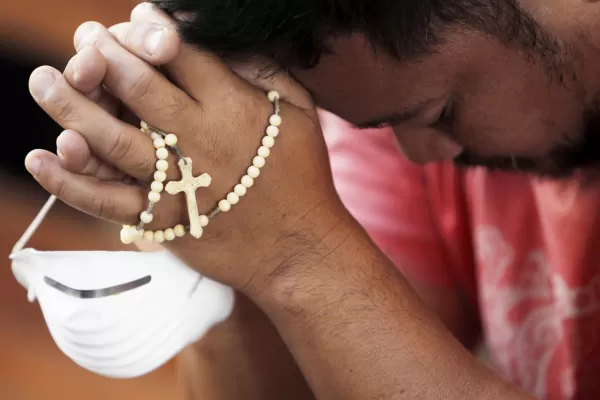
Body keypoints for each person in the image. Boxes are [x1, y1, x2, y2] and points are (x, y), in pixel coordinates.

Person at [22, 0, 600, 398]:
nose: (422, 153)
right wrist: (231, 207)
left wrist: (297, 254)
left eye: (441, 111)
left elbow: (311, 269)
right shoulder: (390, 90)